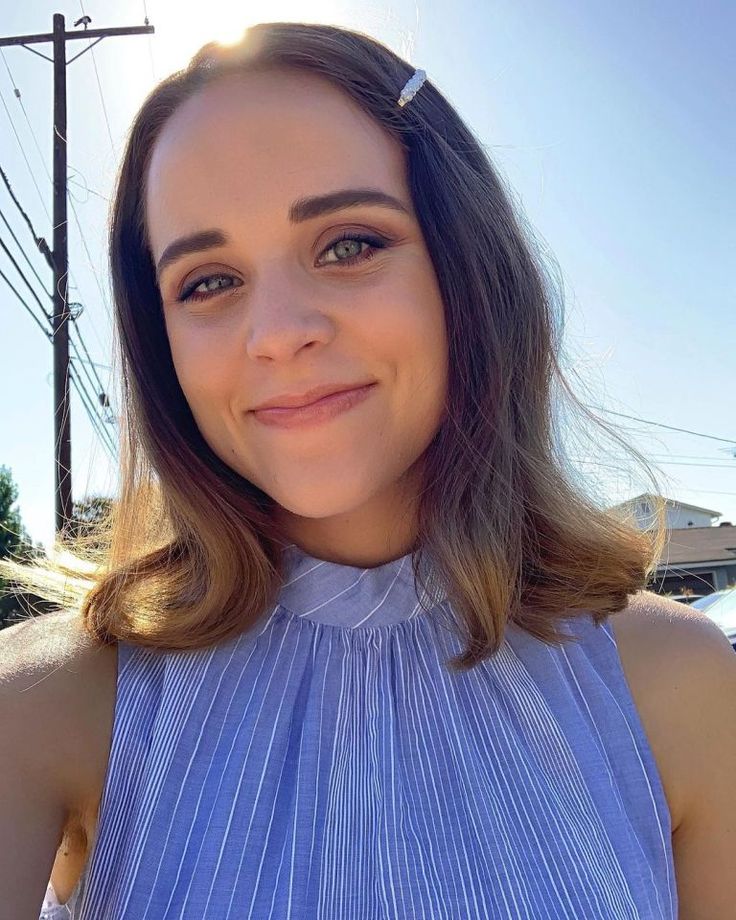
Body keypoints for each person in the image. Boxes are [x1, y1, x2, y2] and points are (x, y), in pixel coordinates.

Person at [1, 20, 734, 920]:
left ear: (468, 269)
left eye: (349, 244)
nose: (276, 333)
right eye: (206, 282)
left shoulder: (681, 686)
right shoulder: (46, 704)